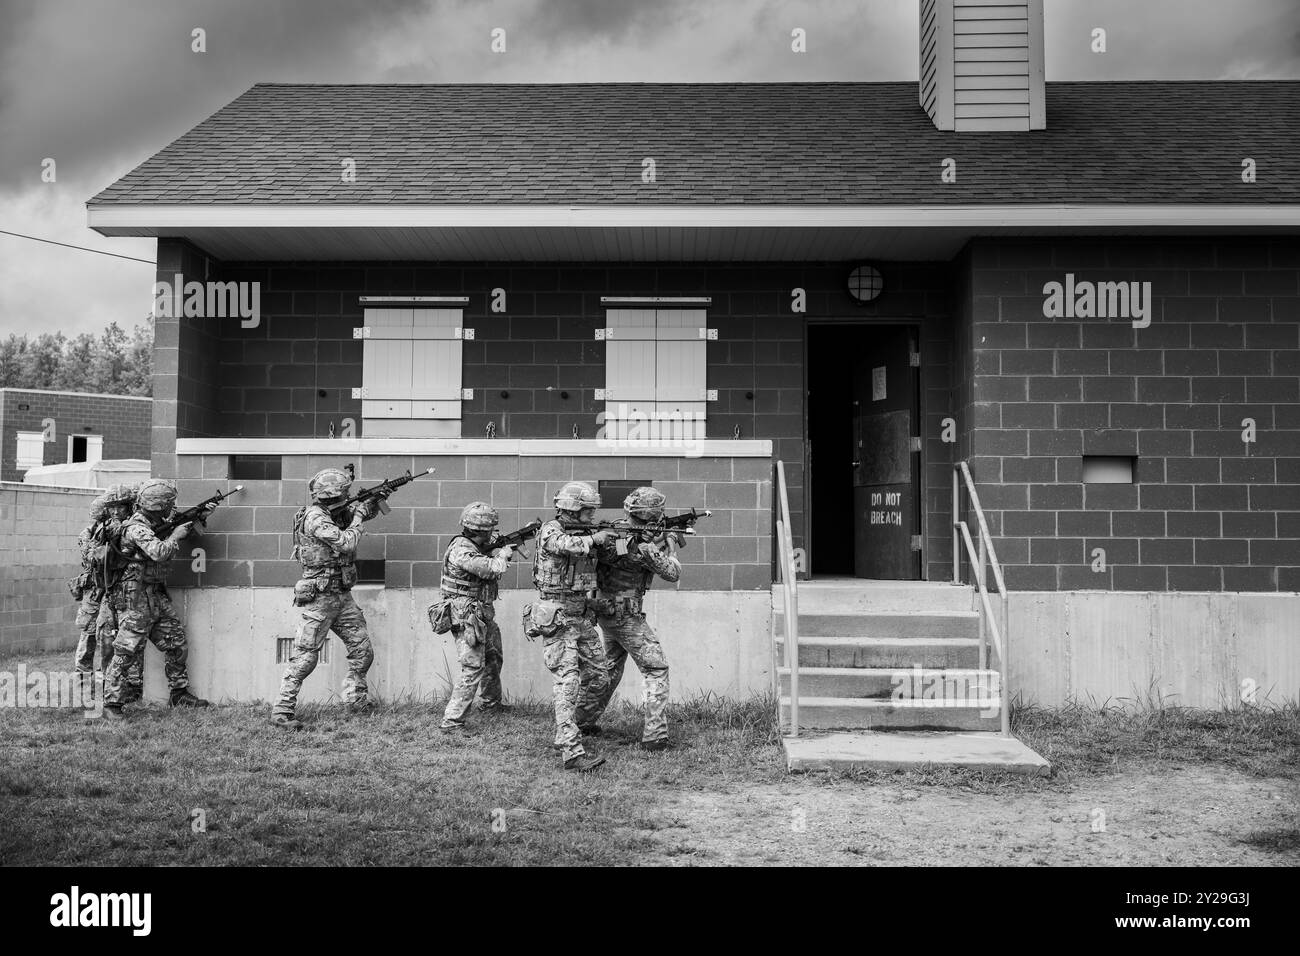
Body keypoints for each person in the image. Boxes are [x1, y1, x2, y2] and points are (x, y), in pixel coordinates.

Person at [271, 467, 381, 730]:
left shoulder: (334, 514)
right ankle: (282, 710)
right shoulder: (316, 519)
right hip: (320, 598)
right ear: (336, 495)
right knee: (306, 656)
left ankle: (355, 699)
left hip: (341, 597)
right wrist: (358, 518)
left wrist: (371, 504)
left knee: (362, 650)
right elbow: (346, 543)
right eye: (346, 493)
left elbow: (356, 516)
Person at [577, 487, 681, 750]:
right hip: (626, 615)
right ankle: (655, 736)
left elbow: (620, 556)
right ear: (653, 515)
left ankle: (582, 721)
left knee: (611, 668)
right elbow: (671, 573)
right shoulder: (643, 544)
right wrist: (669, 546)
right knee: (656, 668)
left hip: (606, 610)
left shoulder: (614, 532)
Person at [102, 479, 211, 719]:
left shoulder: (158, 523)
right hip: (135, 596)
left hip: (154, 594)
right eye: (169, 503)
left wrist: (200, 517)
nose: (171, 507)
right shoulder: (136, 528)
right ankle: (112, 704)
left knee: (176, 642)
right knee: (126, 650)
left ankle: (179, 692)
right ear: (160, 505)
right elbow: (159, 552)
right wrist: (176, 535)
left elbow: (178, 528)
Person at [528, 481, 614, 772]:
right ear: (573, 510)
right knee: (568, 683)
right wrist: (596, 538)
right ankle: (572, 752)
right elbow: (564, 546)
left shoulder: (587, 533)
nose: (592, 516)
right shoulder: (552, 530)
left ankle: (572, 727)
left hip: (581, 614)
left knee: (601, 676)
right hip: (558, 616)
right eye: (588, 510)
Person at [438, 502, 515, 733]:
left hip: (480, 612)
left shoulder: (474, 545)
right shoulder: (462, 549)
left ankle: (491, 704)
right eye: (491, 529)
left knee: (492, 656)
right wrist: (503, 554)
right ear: (482, 530)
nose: (493, 532)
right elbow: (492, 569)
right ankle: (452, 721)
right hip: (466, 615)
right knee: (472, 667)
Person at [71, 484, 144, 702]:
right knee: (89, 637)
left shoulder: (123, 527)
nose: (111, 514)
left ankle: (126, 684)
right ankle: (83, 682)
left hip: (115, 591)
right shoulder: (92, 533)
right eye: (108, 510)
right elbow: (90, 558)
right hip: (95, 591)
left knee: (118, 640)